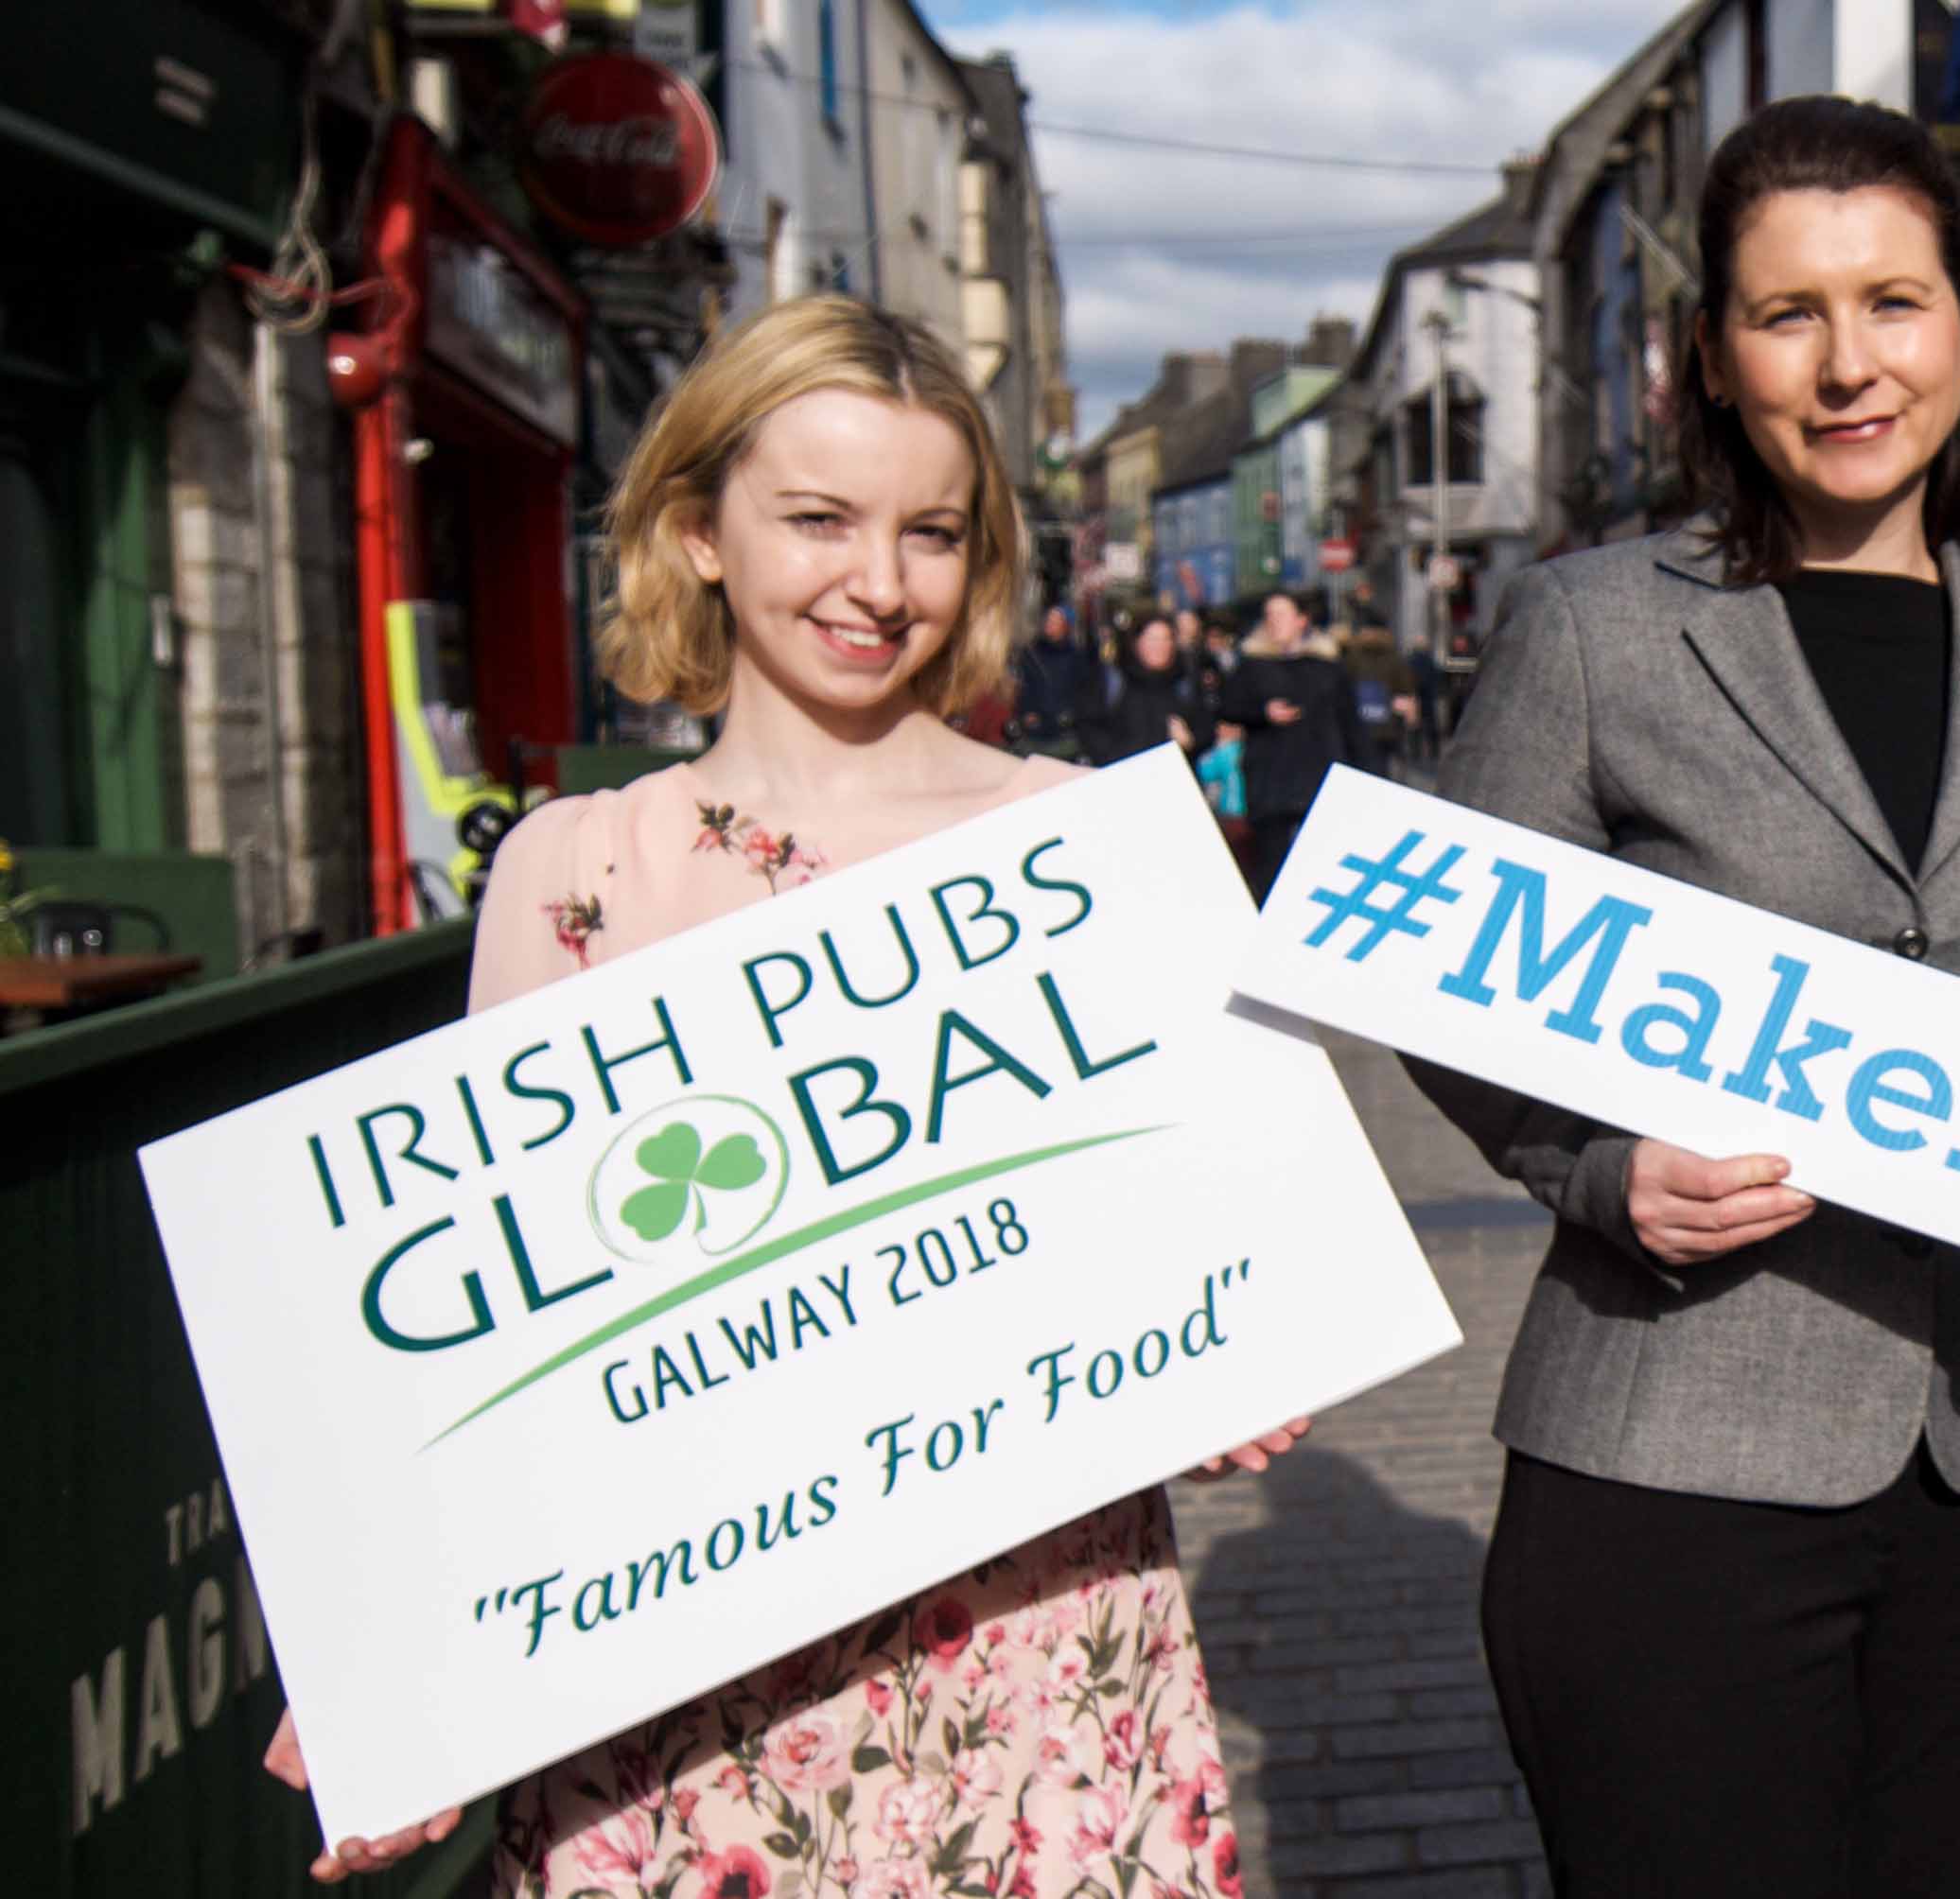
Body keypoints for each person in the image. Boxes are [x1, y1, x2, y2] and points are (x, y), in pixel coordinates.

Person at [262, 295, 1306, 1895]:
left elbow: (1212, 1207)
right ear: (695, 528)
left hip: (1026, 1634)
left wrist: (1237, 1331)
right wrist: (395, 1674)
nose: (879, 584)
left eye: (931, 531)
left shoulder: (1088, 835)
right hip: (682, 1682)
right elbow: (503, 1317)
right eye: (818, 519)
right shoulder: (575, 867)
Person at [1399, 96, 1960, 1897]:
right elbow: (1435, 978)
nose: (1848, 364)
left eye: (1891, 302)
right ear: (1711, 360)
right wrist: (1595, 1165)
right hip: (1668, 1453)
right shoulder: (1589, 627)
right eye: (1786, 313)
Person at [1213, 590, 1364, 899]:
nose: (1274, 622)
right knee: (1271, 871)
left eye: (1281, 614)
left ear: (1301, 620)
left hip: (1319, 779)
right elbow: (1226, 706)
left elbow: (1351, 726)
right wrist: (1262, 713)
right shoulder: (1252, 666)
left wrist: (1366, 777)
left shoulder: (1326, 668)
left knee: (1323, 868)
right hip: (1270, 782)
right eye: (1269, 616)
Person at [1102, 611, 1214, 765]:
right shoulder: (1118, 681)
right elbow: (1092, 726)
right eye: (1153, 639)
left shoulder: (1184, 680)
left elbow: (1206, 724)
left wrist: (1191, 740)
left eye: (1166, 639)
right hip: (1126, 777)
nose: (1160, 646)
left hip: (1175, 773)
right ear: (1138, 642)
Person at [1006, 601, 1101, 758]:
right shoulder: (1031, 654)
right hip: (1033, 732)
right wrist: (1025, 711)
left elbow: (1082, 690)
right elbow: (1023, 687)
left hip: (1064, 733)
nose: (1050, 624)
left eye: (1057, 621)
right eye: (1049, 619)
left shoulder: (1076, 658)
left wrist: (1068, 715)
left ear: (1067, 626)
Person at [1337, 618, 1420, 781]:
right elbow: (1407, 690)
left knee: (1358, 770)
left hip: (1358, 723)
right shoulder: (1395, 658)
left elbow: (1342, 688)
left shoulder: (1351, 658)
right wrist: (1411, 716)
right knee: (1382, 771)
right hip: (1387, 726)